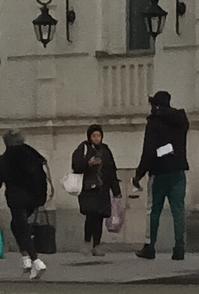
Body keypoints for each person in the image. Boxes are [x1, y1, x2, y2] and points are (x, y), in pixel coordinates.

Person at [0, 129, 54, 279]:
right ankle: (25, 259)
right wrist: (41, 199)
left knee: (21, 228)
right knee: (16, 225)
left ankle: (36, 260)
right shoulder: (33, 156)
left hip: (16, 199)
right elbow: (41, 179)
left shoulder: (3, 160)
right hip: (34, 198)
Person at [131, 90, 190, 261]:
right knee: (178, 210)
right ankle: (179, 247)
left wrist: (139, 173)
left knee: (153, 211)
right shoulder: (181, 120)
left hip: (159, 172)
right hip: (178, 170)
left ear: (155, 105)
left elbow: (148, 151)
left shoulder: (154, 123)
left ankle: (150, 246)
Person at [68, 125, 120, 258]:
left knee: (100, 216)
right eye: (94, 136)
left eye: (99, 136)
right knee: (91, 215)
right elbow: (76, 166)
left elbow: (112, 170)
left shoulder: (105, 150)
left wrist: (116, 191)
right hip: (89, 189)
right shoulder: (84, 148)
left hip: (103, 188)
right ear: (89, 137)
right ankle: (87, 242)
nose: (97, 138)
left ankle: (97, 244)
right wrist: (88, 163)